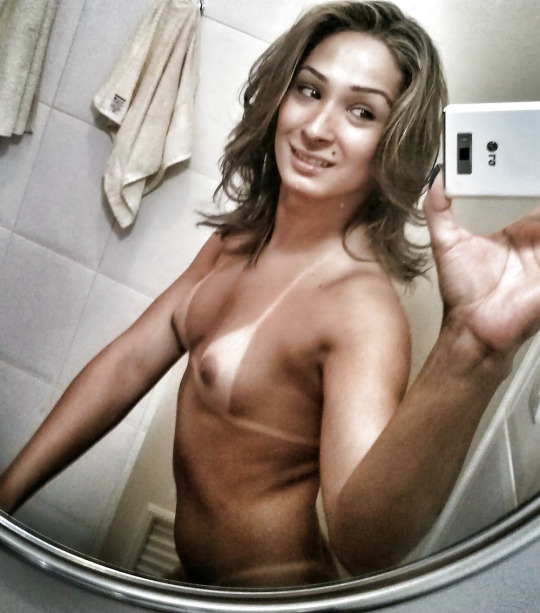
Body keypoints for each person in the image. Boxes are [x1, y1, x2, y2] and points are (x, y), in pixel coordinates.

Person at [1, 0, 539, 588]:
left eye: (362, 111)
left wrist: (472, 348)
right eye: (310, 90)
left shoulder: (361, 311)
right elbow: (128, 363)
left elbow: (363, 541)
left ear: (395, 143)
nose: (317, 128)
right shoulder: (235, 243)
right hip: (197, 584)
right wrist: (6, 499)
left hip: (268, 595)